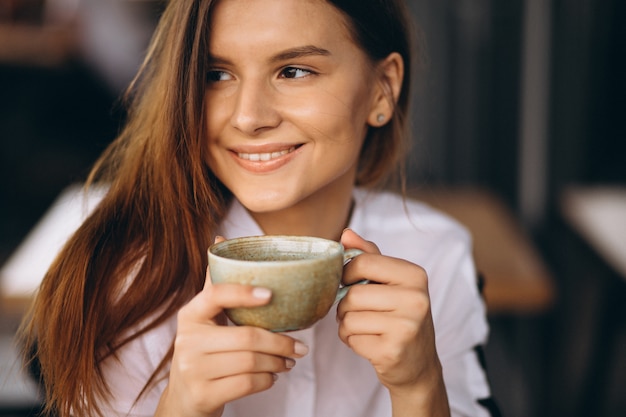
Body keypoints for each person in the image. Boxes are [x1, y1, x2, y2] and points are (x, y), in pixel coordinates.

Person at [19, 0, 498, 416]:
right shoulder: (127, 279)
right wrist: (181, 408)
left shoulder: (435, 254)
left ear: (383, 89)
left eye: (293, 71)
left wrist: (419, 389)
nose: (249, 117)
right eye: (217, 75)